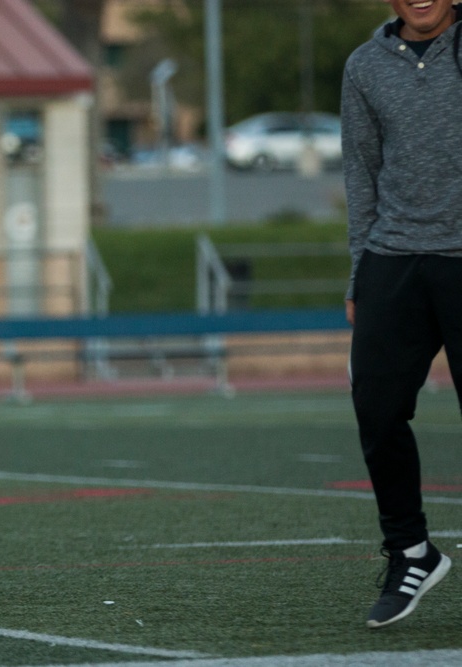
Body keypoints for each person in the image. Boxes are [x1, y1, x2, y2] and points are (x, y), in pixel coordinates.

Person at [341, 0, 462, 629]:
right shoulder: (365, 66)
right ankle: (411, 552)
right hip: (394, 256)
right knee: (377, 408)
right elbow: (361, 172)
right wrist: (360, 270)